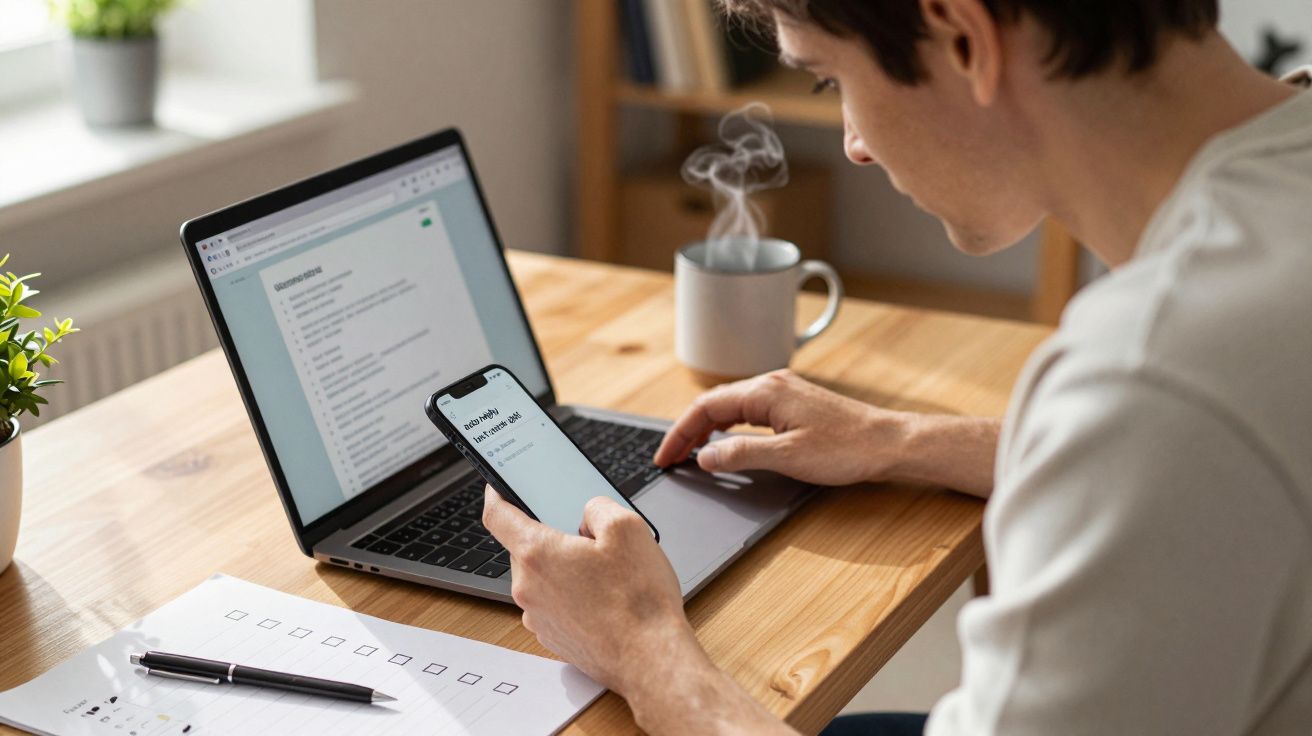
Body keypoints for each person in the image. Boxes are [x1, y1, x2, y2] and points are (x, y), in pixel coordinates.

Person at [482, 1, 1312, 733]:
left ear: (961, 35)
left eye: (830, 79)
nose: (854, 145)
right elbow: (1203, 460)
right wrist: (899, 438)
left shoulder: (1151, 376)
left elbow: (1161, 429)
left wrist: (640, 644)